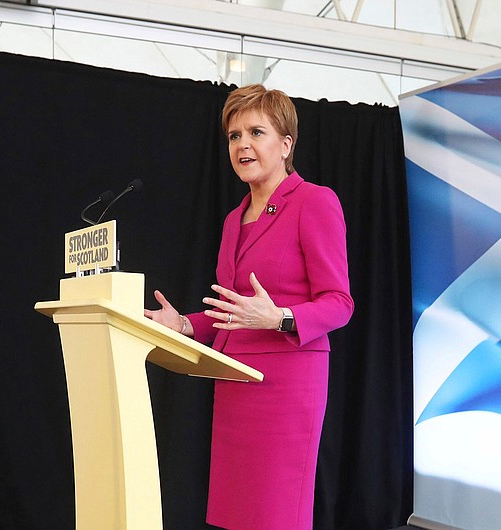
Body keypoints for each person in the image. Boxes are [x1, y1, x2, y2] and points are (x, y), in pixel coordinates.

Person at [144, 84, 354, 530]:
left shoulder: (315, 203)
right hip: (235, 385)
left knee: (277, 514)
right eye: (234, 136)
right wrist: (183, 323)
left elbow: (339, 304)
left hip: (288, 388)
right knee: (237, 514)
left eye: (256, 132)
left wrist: (280, 317)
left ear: (286, 144)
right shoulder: (232, 220)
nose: (243, 145)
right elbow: (231, 311)